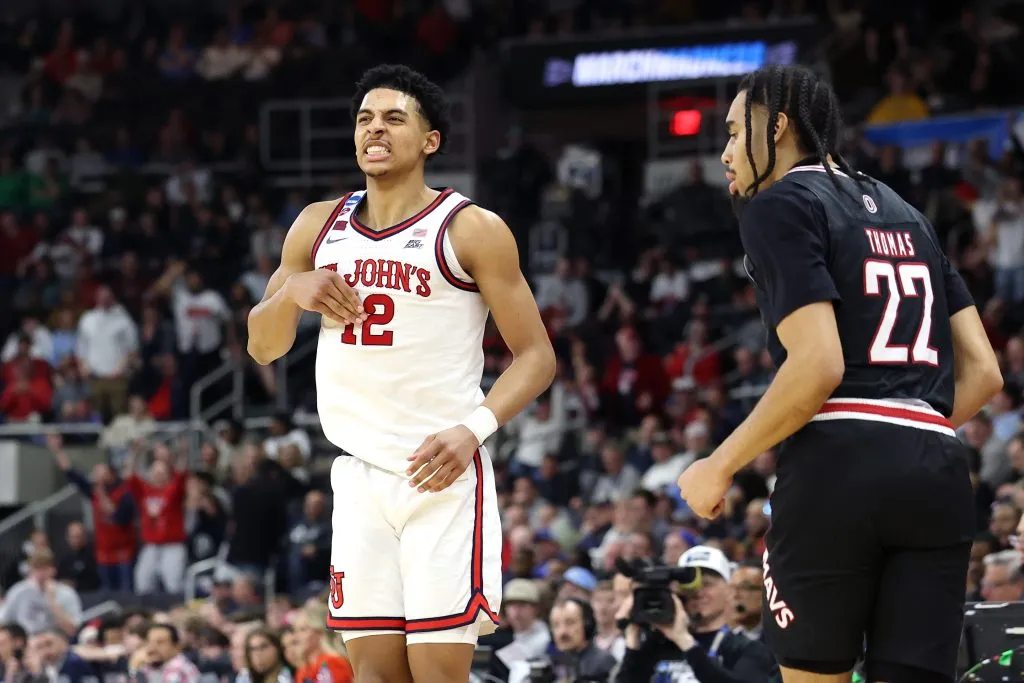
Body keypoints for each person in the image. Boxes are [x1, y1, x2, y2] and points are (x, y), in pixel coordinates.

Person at [677, 64, 1004, 683]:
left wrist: (718, 465)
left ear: (775, 127)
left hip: (838, 469)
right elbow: (986, 373)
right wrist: (902, 432)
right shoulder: (910, 212)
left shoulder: (780, 205)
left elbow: (819, 364)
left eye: (729, 133)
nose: (722, 152)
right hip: (937, 467)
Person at [246, 63, 556, 683]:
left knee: (438, 674)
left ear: (431, 140)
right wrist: (292, 293)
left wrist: (475, 428)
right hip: (359, 476)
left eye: (393, 118)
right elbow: (262, 347)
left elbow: (538, 356)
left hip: (439, 472)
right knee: (376, 678)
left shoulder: (470, 228)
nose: (374, 129)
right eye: (364, 118)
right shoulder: (316, 224)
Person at [614, 546, 776, 683]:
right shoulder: (658, 644)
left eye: (707, 584)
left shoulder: (748, 649)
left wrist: (685, 641)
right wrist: (633, 639)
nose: (698, 592)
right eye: (688, 586)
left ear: (729, 590)